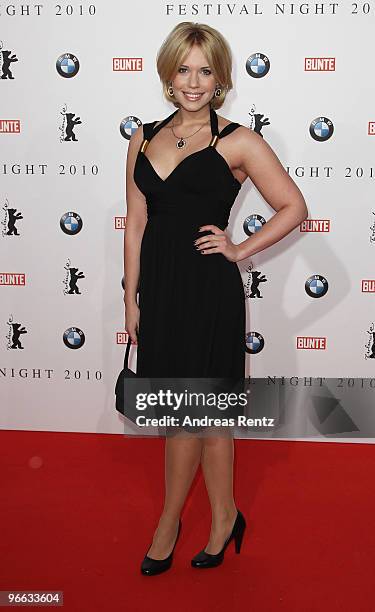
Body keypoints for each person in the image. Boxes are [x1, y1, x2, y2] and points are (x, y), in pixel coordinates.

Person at [123, 21, 308, 575]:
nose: (194, 81)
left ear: (222, 78)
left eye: (206, 71)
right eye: (184, 69)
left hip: (208, 293)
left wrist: (239, 248)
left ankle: (202, 519)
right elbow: (135, 224)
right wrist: (132, 298)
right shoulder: (143, 136)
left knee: (209, 415)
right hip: (160, 292)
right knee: (175, 414)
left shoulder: (239, 141)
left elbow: (293, 207)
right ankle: (190, 517)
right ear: (168, 73)